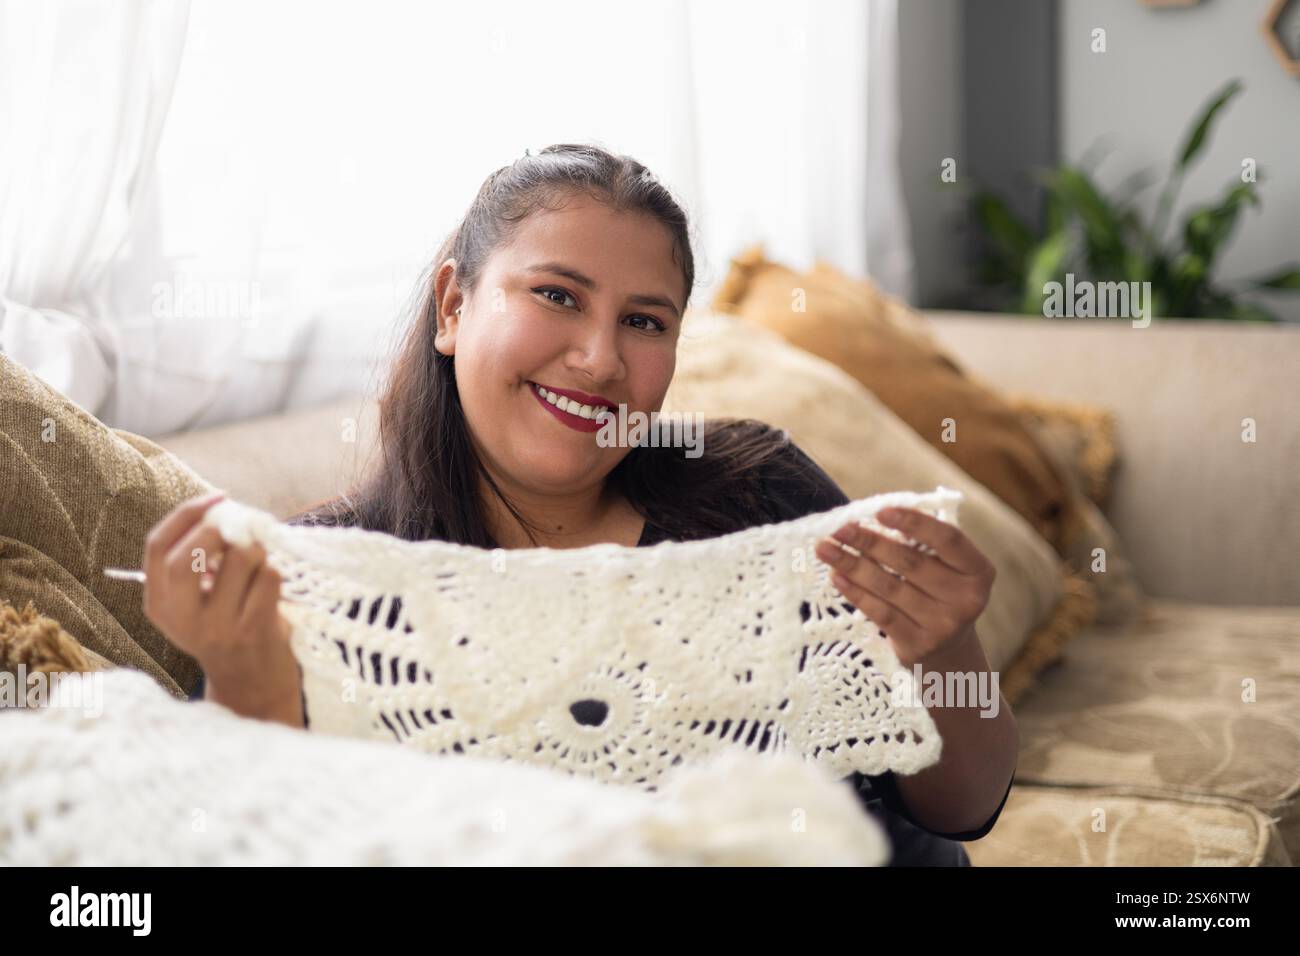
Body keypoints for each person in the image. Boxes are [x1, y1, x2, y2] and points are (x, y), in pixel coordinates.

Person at [145, 144, 1016, 865]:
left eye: (645, 322)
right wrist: (244, 686)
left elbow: (963, 808)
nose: (600, 361)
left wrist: (948, 649)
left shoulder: (762, 491)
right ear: (454, 306)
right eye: (557, 296)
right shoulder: (314, 590)